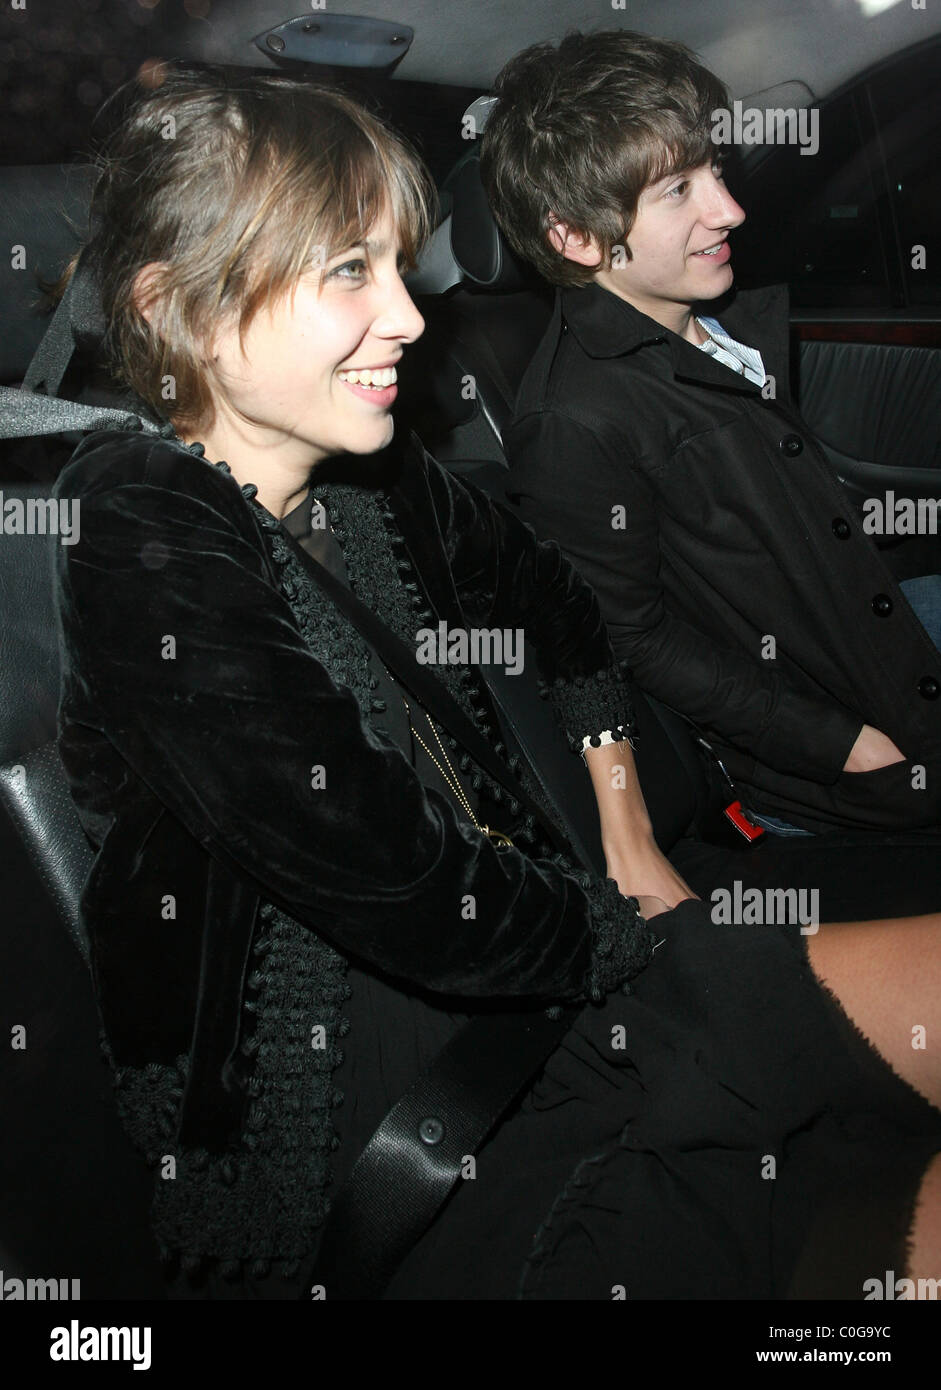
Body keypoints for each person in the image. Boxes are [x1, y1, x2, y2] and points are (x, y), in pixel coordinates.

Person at [53, 62, 941, 1301]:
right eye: (348, 271)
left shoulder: (371, 479)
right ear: (180, 310)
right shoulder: (135, 518)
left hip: (556, 971)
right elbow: (389, 872)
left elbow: (563, 606)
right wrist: (620, 933)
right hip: (401, 1121)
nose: (411, 317)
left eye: (394, 263)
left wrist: (624, 833)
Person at [481, 29, 941, 838]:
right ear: (575, 238)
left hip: (884, 642)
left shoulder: (710, 320)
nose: (729, 209)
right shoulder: (571, 420)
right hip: (840, 746)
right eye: (676, 192)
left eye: (715, 172)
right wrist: (842, 744)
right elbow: (630, 637)